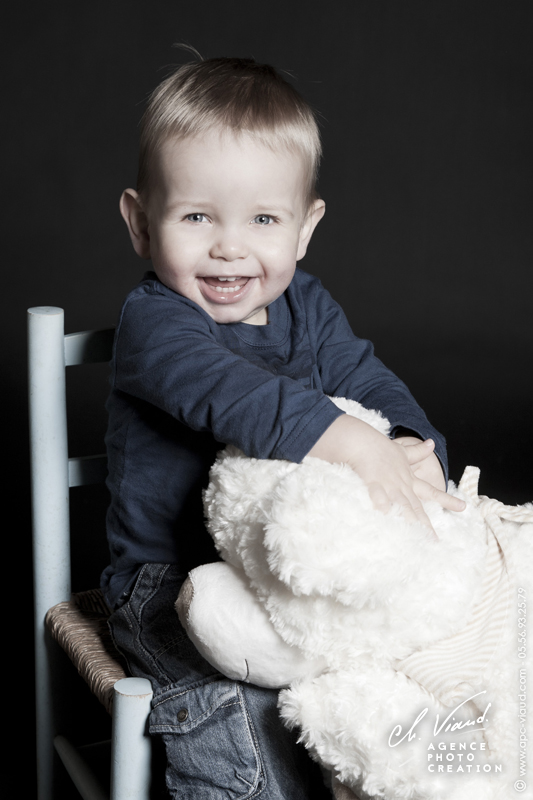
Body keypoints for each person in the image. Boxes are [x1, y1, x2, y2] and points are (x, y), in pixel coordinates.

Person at [103, 56, 465, 799]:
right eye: (196, 216)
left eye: (263, 219)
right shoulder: (155, 324)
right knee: (241, 717)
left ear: (305, 228)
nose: (230, 247)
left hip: (291, 578)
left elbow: (365, 378)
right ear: (142, 223)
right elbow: (235, 396)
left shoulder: (309, 306)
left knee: (405, 678)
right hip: (167, 586)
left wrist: (405, 442)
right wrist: (350, 441)